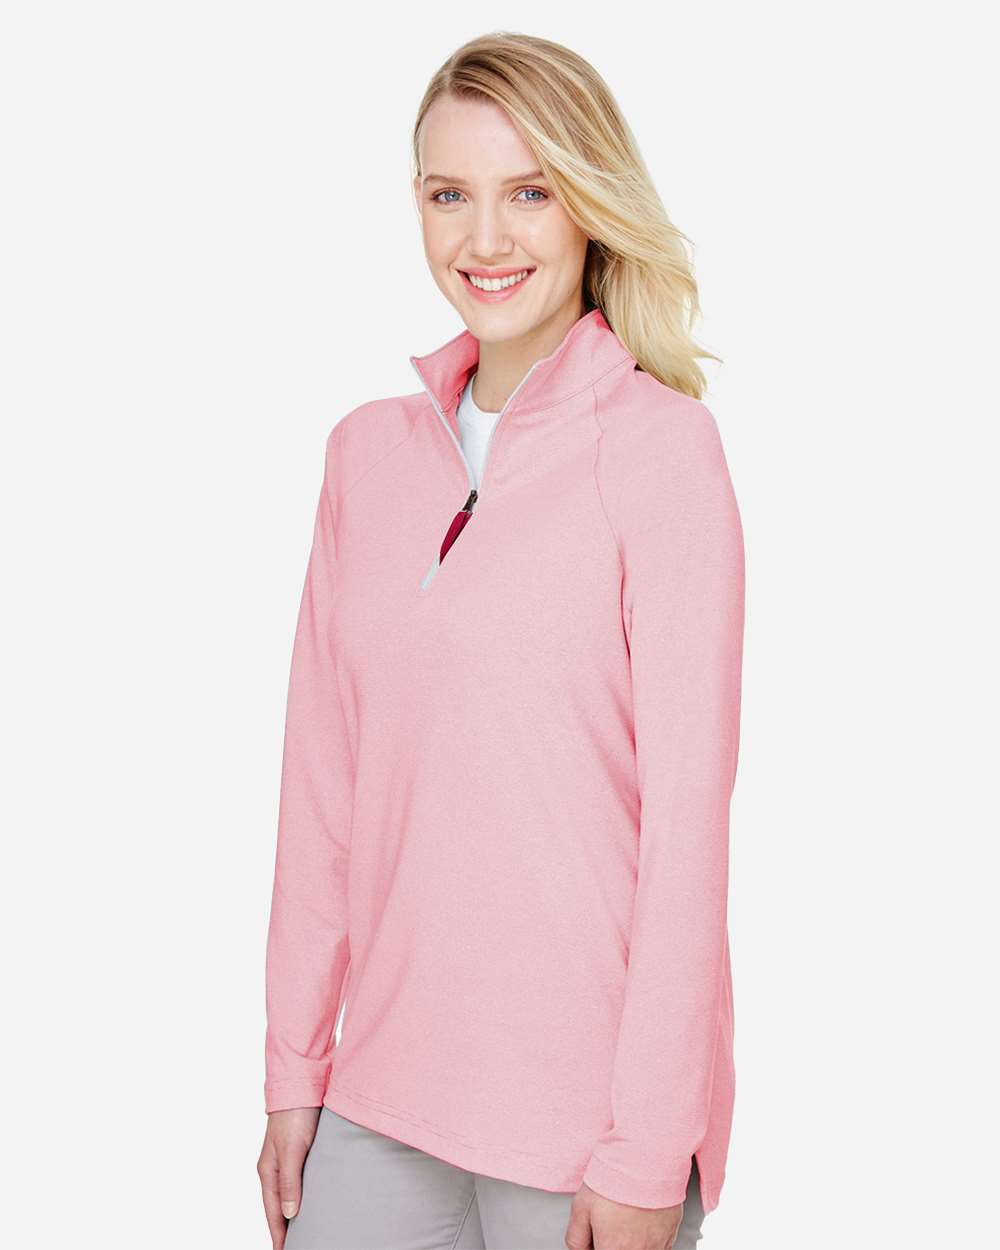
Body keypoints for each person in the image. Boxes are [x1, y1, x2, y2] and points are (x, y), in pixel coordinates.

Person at [257, 31, 745, 1250]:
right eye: (448, 195)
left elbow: (686, 831)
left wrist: (646, 1146)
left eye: (529, 192)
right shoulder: (364, 456)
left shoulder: (660, 451)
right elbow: (320, 794)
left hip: (583, 1127)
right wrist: (292, 1069)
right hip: (377, 1098)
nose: (485, 238)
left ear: (588, 202)